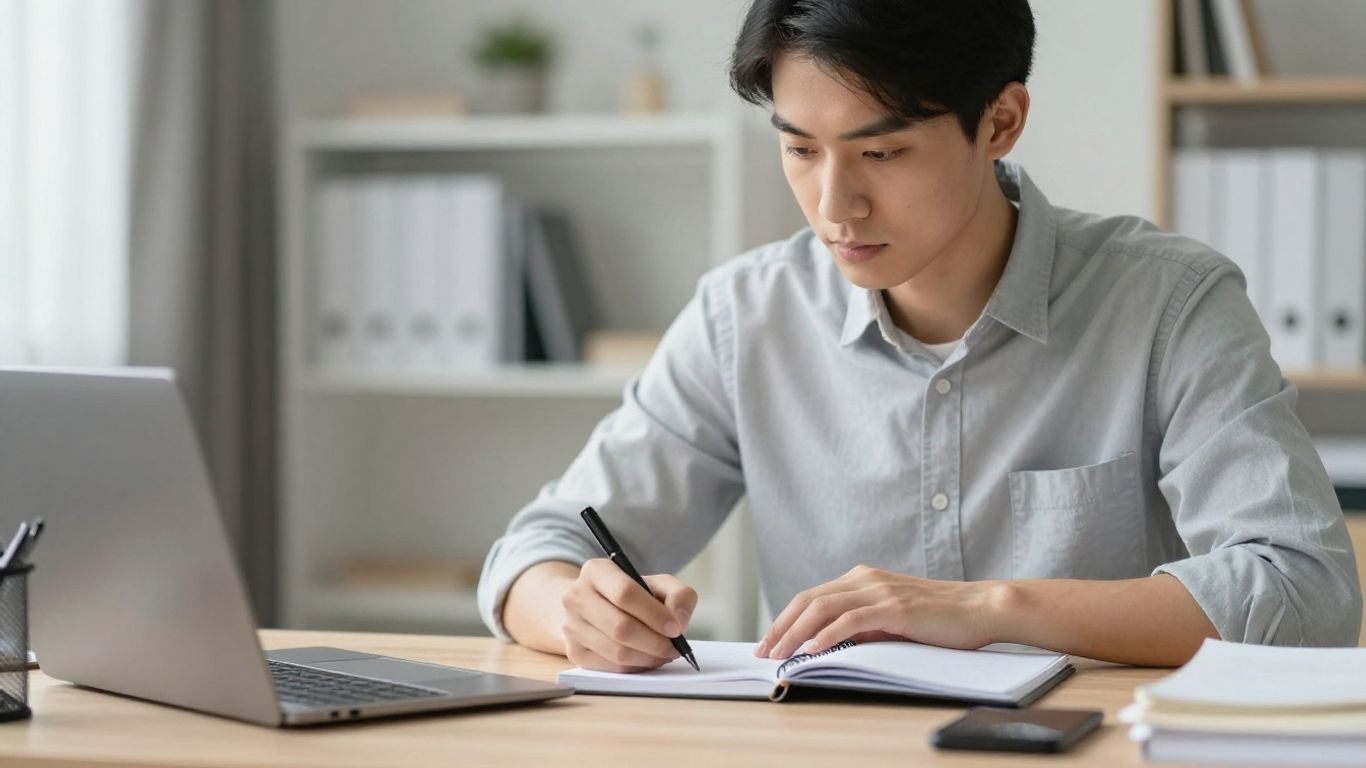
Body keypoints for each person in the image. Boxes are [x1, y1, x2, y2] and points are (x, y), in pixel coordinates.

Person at [477, 0, 1361, 673]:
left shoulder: (1168, 303)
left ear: (1002, 121)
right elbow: (535, 549)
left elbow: (1309, 593)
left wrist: (993, 607)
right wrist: (575, 612)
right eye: (799, 150)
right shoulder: (744, 316)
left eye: (882, 153)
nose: (835, 205)